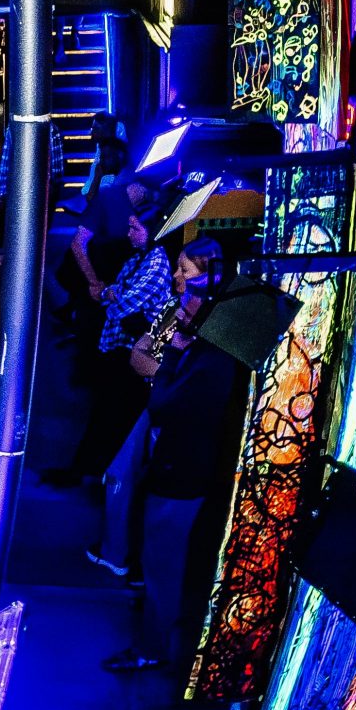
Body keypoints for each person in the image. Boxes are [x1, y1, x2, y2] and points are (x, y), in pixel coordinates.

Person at [103, 245, 245, 679]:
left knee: (164, 561)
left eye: (186, 273)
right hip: (179, 466)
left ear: (209, 283)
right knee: (161, 557)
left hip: (182, 472)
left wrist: (171, 357)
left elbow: (164, 404)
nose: (178, 282)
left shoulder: (213, 355)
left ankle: (152, 648)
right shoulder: (206, 342)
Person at [43, 195, 172, 487]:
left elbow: (119, 304)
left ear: (152, 231)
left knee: (112, 418)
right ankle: (87, 473)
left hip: (133, 355)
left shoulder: (156, 261)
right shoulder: (139, 258)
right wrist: (111, 295)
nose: (129, 233)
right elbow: (112, 294)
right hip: (122, 350)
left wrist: (111, 296)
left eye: (135, 228)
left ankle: (88, 475)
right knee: (106, 415)